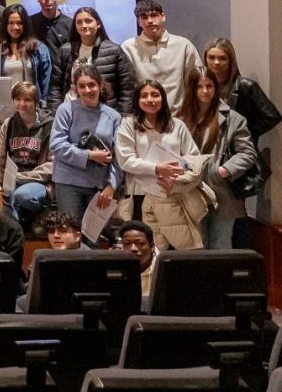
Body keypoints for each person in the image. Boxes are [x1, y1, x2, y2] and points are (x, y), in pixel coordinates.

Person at [117, 79, 205, 251]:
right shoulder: (128, 125)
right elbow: (125, 160)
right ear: (137, 100)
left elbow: (193, 157)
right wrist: (157, 168)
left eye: (155, 95)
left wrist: (180, 172)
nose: (150, 99)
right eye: (144, 96)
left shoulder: (177, 125)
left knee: (175, 249)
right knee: (145, 250)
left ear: (163, 99)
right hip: (140, 195)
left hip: (172, 193)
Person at [176, 67, 255, 250]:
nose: (205, 91)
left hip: (222, 192)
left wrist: (224, 170)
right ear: (191, 89)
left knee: (221, 244)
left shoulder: (233, 119)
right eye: (200, 86)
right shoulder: (179, 119)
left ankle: (220, 280)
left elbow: (247, 153)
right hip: (191, 190)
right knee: (196, 245)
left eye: (209, 86)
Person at [49, 63, 123, 227]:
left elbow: (119, 156)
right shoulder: (65, 110)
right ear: (75, 89)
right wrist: (89, 155)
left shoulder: (114, 117)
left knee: (94, 238)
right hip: (68, 183)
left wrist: (112, 185)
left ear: (100, 85)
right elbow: (56, 145)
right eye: (82, 86)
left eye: (91, 85)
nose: (87, 90)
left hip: (99, 187)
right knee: (70, 234)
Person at [46, 6, 135, 113]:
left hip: (104, 113)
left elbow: (127, 89)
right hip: (71, 112)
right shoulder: (65, 51)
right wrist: (55, 114)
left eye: (88, 21)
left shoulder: (114, 51)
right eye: (79, 22)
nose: (84, 25)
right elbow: (55, 88)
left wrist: (123, 116)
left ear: (98, 24)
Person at [0, 82, 53, 229]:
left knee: (22, 195)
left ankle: (39, 214)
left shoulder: (50, 125)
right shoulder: (9, 124)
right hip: (10, 181)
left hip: (38, 183)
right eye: (18, 99)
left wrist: (20, 178)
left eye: (27, 100)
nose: (22, 104)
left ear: (36, 102)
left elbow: (53, 164)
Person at [121, 0, 200, 111]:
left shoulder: (183, 45)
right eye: (144, 17)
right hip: (144, 117)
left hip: (179, 117)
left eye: (154, 15)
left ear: (163, 16)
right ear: (139, 22)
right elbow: (125, 88)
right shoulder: (128, 47)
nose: (150, 21)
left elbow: (197, 82)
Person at [204, 37, 281, 142]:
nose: (216, 62)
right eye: (211, 57)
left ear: (231, 60)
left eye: (222, 58)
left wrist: (246, 132)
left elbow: (272, 116)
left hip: (238, 150)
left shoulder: (245, 86)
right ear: (205, 58)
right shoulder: (200, 87)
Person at [0, 4, 52, 103]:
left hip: (31, 106)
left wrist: (43, 106)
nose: (15, 27)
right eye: (11, 23)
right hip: (4, 107)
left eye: (19, 23)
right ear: (5, 25)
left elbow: (46, 82)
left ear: (25, 24)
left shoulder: (38, 49)